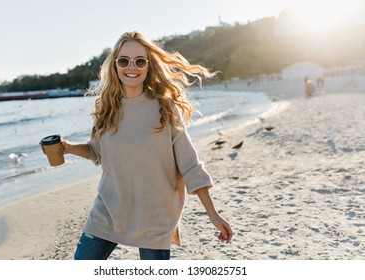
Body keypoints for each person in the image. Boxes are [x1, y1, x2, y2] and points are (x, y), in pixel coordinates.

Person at [43, 31, 233, 260]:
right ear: (115, 65)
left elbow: (190, 165)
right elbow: (99, 152)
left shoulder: (165, 108)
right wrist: (69, 147)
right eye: (124, 60)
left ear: (148, 65)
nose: (131, 67)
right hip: (109, 211)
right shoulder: (107, 107)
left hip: (155, 216)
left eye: (139, 61)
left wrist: (213, 214)